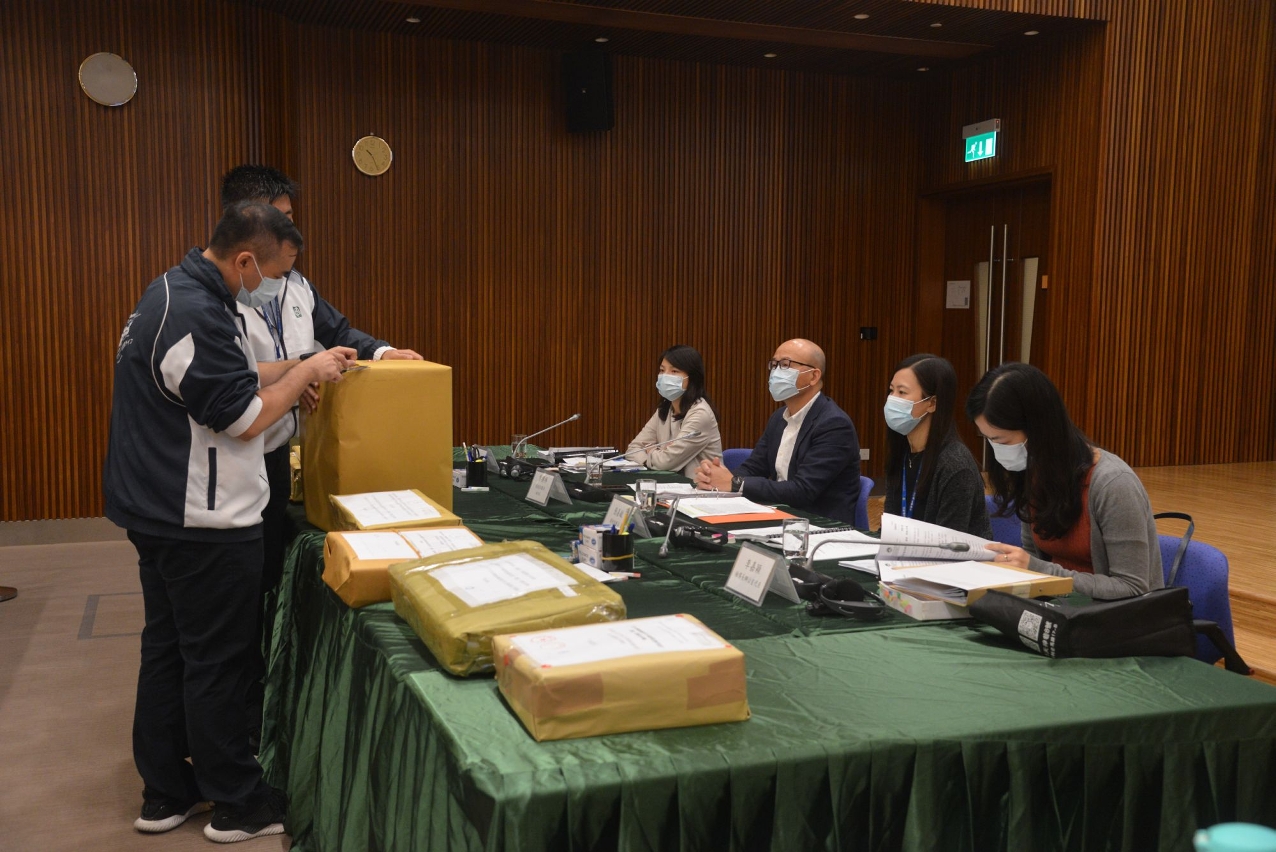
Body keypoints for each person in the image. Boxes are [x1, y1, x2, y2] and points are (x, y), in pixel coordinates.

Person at [104, 202, 355, 842]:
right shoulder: (197, 312)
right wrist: (304, 372)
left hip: (156, 509)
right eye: (274, 273)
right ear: (245, 260)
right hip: (202, 522)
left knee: (168, 651)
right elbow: (242, 416)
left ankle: (166, 791)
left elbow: (228, 373)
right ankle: (238, 801)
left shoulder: (173, 292)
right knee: (218, 659)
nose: (275, 286)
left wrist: (301, 366)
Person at [220, 165, 422, 742]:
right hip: (235, 459)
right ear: (246, 219)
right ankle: (240, 716)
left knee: (271, 576)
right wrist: (298, 375)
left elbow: (338, 333)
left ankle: (268, 689)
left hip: (285, 453)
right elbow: (234, 378)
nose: (292, 230)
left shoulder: (296, 284)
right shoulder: (220, 295)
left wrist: (382, 353)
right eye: (282, 218)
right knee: (237, 599)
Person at [967, 362, 1163, 599]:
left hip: (1117, 616)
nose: (996, 450)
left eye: (1002, 441)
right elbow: (1034, 556)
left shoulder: (1113, 484)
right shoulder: (1035, 472)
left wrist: (1036, 570)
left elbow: (1132, 588)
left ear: (1039, 429)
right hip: (1061, 608)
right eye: (988, 439)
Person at [695, 338, 861, 524]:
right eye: (774, 365)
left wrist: (735, 484)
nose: (775, 372)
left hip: (819, 525)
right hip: (780, 515)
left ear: (813, 376)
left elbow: (803, 490)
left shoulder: (834, 424)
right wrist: (717, 478)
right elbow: (755, 467)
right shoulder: (779, 417)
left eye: (785, 365)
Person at [883, 354, 992, 538]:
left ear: (932, 403)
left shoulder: (955, 464)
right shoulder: (903, 453)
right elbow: (890, 528)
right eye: (891, 390)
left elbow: (948, 543)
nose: (892, 399)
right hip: (905, 553)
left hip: (954, 555)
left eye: (902, 392)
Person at [626, 345, 723, 477]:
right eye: (662, 370)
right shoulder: (665, 408)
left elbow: (665, 462)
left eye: (674, 371)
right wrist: (659, 454)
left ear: (692, 378)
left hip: (702, 487)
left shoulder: (700, 414)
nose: (665, 376)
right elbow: (633, 449)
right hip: (670, 486)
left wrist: (651, 451)